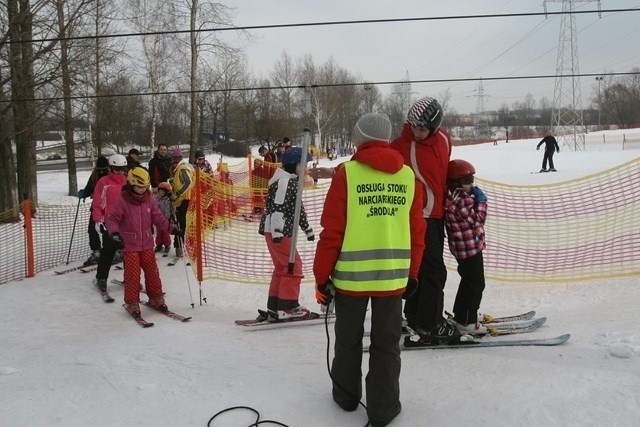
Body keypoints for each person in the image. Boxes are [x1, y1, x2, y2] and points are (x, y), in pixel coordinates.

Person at [308, 96, 459, 343]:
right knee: (433, 272)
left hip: (438, 215)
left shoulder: (443, 140)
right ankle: (429, 323)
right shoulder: (401, 145)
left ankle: (416, 316)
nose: (418, 133)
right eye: (414, 127)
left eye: (423, 129)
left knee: (424, 272)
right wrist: (331, 171)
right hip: (418, 214)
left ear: (435, 128)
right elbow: (371, 161)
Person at [314, 113, 426, 427]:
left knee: (347, 340)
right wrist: (413, 273)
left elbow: (332, 232)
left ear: (359, 138)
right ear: (387, 139)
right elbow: (418, 234)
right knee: (387, 345)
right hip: (392, 279)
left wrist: (322, 276)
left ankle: (346, 396)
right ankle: (384, 408)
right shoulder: (407, 178)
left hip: (350, 279)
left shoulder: (347, 174)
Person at [106, 167, 177, 316]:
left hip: (147, 243)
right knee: (132, 274)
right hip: (130, 245)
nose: (142, 189)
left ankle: (156, 297)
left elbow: (157, 217)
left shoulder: (149, 199)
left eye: (145, 186)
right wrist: (115, 234)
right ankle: (132, 301)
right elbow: (112, 219)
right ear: (131, 184)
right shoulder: (123, 201)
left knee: (152, 271)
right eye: (139, 186)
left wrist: (172, 229)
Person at [257, 146, 315, 321]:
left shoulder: (291, 181)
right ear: (293, 165)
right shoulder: (284, 182)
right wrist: (277, 232)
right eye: (303, 164)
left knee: (282, 267)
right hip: (278, 231)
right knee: (292, 265)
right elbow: (277, 207)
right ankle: (288, 307)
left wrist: (307, 229)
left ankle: (275, 306)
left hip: (279, 230)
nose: (305, 168)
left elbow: (299, 210)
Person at [444, 159, 488, 335]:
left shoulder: (451, 195)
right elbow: (478, 219)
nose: (471, 184)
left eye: (472, 180)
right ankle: (467, 321)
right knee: (476, 283)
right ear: (456, 183)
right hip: (469, 248)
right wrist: (482, 201)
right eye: (467, 181)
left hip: (463, 248)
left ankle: (462, 314)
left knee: (468, 281)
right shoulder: (462, 199)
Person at [91, 154, 129, 294]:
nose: (119, 172)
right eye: (116, 169)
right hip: (110, 224)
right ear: (111, 168)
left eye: (122, 169)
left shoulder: (127, 181)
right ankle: (101, 278)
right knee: (108, 251)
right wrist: (98, 220)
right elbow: (97, 203)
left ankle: (130, 278)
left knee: (128, 252)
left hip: (126, 223)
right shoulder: (103, 182)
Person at [78, 155, 110, 266]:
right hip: (96, 207)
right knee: (92, 228)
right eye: (99, 169)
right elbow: (89, 187)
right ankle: (96, 251)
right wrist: (84, 193)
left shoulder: (111, 175)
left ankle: (113, 250)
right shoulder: (94, 175)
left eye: (103, 170)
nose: (101, 172)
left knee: (109, 229)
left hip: (109, 207)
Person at [169, 146, 195, 258]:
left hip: (184, 200)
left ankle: (179, 246)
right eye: (173, 158)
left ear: (180, 158)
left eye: (177, 158)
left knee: (181, 224)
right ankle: (180, 245)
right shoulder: (176, 168)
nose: (175, 161)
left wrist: (178, 193)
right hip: (180, 201)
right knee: (179, 223)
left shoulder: (183, 168)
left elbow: (188, 182)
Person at [154, 182, 175, 254]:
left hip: (167, 219)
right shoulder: (156, 199)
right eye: (160, 191)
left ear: (167, 192)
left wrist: (173, 215)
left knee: (165, 233)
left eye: (163, 191)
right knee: (159, 233)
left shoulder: (168, 200)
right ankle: (159, 244)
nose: (161, 193)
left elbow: (173, 208)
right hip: (158, 220)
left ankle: (167, 245)